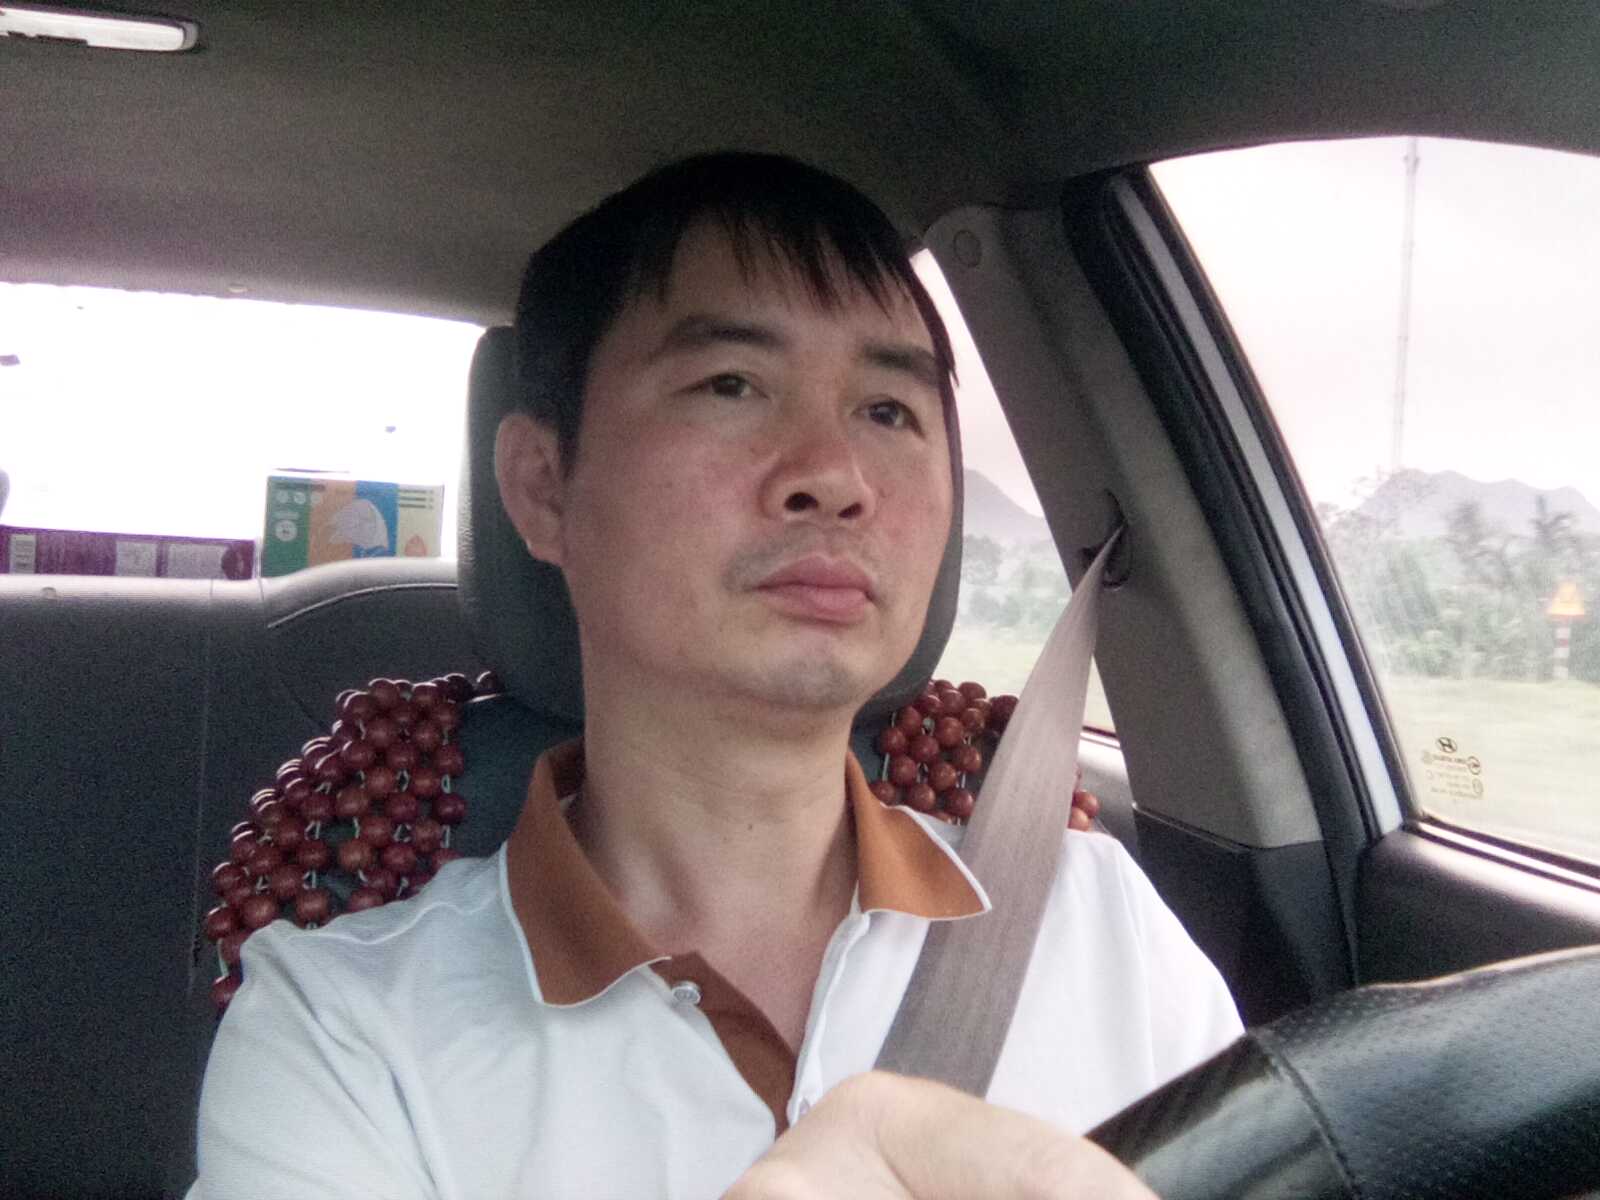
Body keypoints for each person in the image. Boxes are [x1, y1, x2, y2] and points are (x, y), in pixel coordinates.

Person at [190, 153, 1241, 1198]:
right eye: (731, 385)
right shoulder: (345, 1035)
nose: (833, 478)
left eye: (888, 410)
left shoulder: (1103, 925)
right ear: (543, 486)